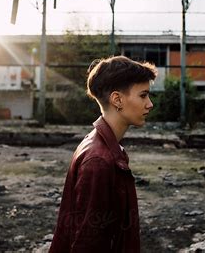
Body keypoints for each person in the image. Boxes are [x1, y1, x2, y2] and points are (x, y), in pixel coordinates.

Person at [48, 55, 157, 253]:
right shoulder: (98, 160)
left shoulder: (104, 147)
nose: (150, 104)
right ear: (117, 99)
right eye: (143, 95)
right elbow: (87, 243)